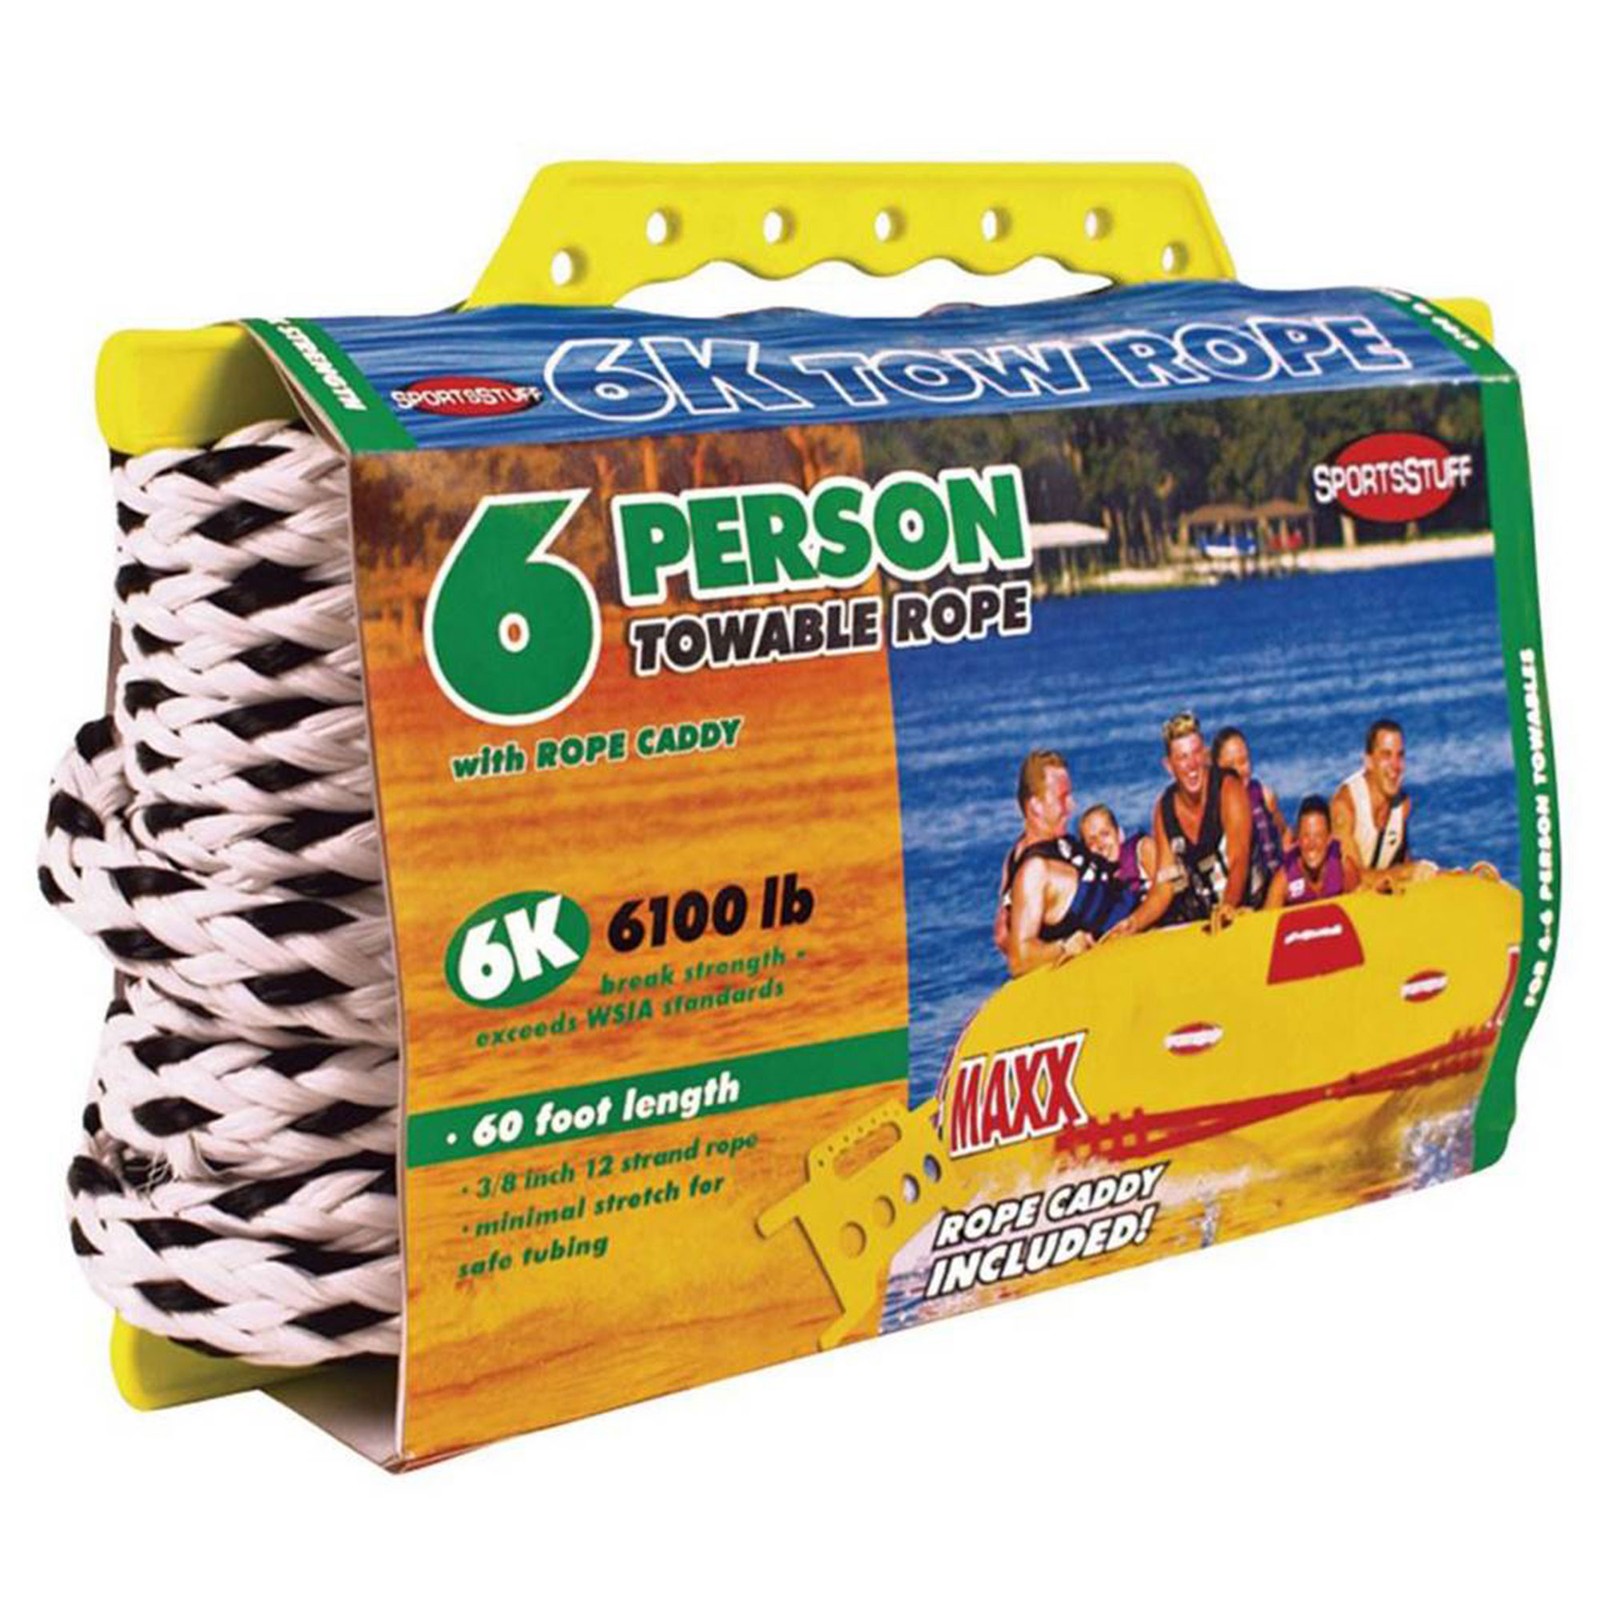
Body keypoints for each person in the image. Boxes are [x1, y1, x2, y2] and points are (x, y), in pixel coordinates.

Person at [997, 749, 1138, 976]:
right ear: (1036, 806)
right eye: (1062, 798)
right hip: (1130, 936)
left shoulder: (1022, 854)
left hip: (1137, 907)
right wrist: (1063, 947)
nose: (1072, 806)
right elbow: (1018, 957)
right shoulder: (1034, 871)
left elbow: (1001, 935)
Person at [1112, 711, 1255, 934]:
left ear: (1206, 755)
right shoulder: (1164, 810)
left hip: (1244, 909)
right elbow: (1164, 886)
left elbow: (1239, 858)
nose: (1192, 765)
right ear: (1169, 766)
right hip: (1200, 923)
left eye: (1196, 753)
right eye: (1182, 757)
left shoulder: (1229, 789)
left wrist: (1228, 905)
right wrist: (1133, 923)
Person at [1331, 718, 1432, 889]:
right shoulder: (1345, 806)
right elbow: (1352, 879)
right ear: (1369, 762)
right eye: (1386, 755)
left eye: (1400, 756)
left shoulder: (1403, 805)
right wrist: (1403, 873)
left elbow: (1404, 863)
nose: (1395, 766)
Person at [1211, 725, 1288, 906]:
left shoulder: (1264, 795)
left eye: (1243, 761)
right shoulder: (1214, 808)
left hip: (1272, 892)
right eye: (1230, 765)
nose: (1239, 770)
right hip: (1238, 898)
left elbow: (1285, 835)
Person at [1265, 794, 1359, 907]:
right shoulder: (1284, 880)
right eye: (1306, 836)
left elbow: (1358, 909)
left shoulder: (1344, 869)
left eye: (1318, 836)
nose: (1312, 844)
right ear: (1298, 839)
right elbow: (1267, 916)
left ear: (1329, 838)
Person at [1079, 803, 1155, 902]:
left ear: (1120, 834)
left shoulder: (1143, 849)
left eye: (1105, 834)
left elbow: (1169, 887)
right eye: (1092, 842)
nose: (1100, 845)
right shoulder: (1094, 882)